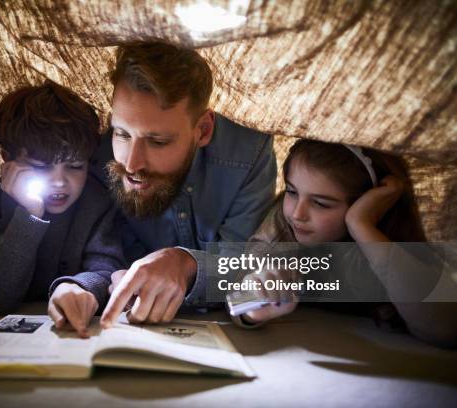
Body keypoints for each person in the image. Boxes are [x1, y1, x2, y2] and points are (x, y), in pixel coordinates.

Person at [90, 41, 277, 328]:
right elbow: (97, 255)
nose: (131, 163)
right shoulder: (95, 156)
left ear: (203, 130)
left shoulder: (249, 155)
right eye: (122, 134)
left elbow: (243, 266)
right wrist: (111, 275)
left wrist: (184, 263)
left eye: (158, 141)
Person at [239, 139, 457, 347]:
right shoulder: (282, 227)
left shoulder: (391, 238)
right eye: (292, 191)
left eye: (321, 203)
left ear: (370, 204)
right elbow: (239, 293)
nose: (297, 214)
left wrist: (361, 225)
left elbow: (445, 330)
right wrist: (251, 311)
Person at [0, 81, 124, 337]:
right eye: (40, 167)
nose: (59, 181)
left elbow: (107, 269)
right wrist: (29, 215)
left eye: (75, 166)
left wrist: (78, 287)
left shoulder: (95, 202)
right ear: (7, 160)